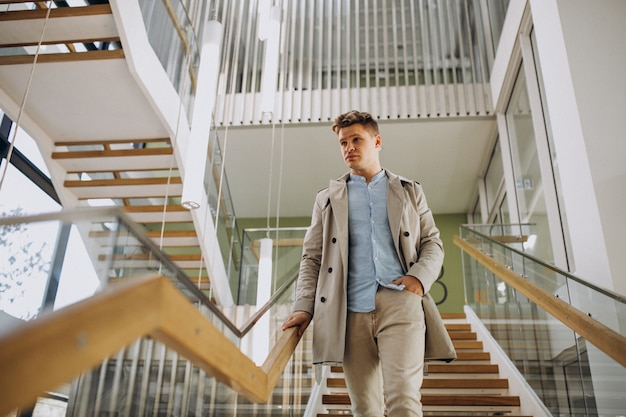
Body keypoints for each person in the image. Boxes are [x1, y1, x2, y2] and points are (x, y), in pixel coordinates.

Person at [282, 110, 455, 417]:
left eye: (356, 140)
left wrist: (418, 278)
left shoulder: (409, 190)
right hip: (348, 311)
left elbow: (433, 243)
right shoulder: (326, 199)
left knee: (403, 398)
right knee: (365, 407)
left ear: (376, 141)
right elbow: (312, 258)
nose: (349, 147)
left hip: (400, 303)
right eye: (343, 142)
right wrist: (303, 306)